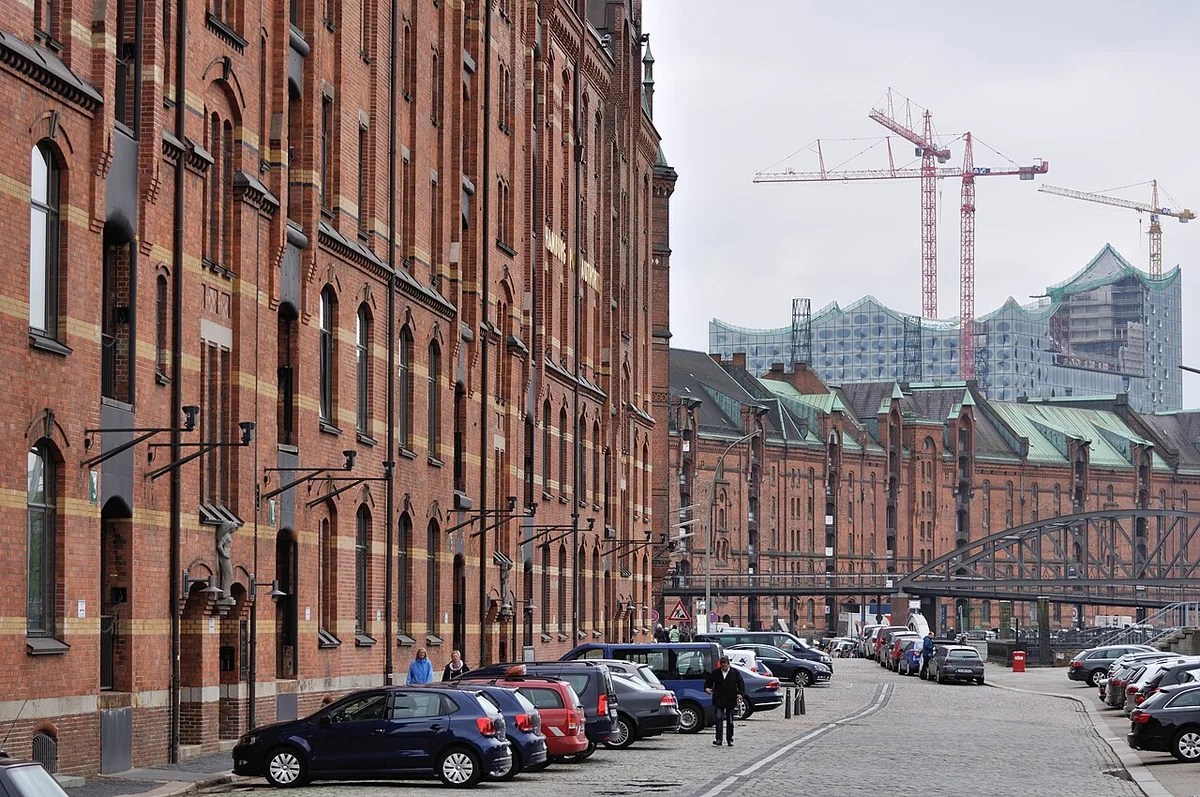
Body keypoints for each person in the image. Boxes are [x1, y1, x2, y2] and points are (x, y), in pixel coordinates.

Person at [704, 654, 744, 747]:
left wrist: (740, 694)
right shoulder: (716, 673)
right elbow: (708, 682)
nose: (724, 668)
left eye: (725, 666)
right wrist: (707, 688)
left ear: (729, 664)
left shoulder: (735, 673)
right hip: (719, 699)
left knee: (730, 720)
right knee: (718, 719)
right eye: (722, 666)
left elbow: (741, 684)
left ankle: (730, 739)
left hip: (730, 699)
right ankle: (719, 739)